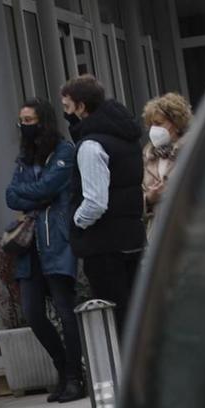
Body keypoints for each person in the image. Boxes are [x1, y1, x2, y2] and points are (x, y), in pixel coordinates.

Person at [4, 99, 87, 403]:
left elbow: (48, 188)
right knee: (33, 313)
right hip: (30, 247)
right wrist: (35, 198)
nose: (24, 126)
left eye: (28, 120)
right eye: (21, 120)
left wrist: (34, 197)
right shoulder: (24, 157)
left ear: (43, 121)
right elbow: (10, 195)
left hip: (56, 240)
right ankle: (62, 367)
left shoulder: (64, 152)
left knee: (66, 311)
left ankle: (75, 377)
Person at [60, 74, 147, 325]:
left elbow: (96, 201)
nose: (66, 114)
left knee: (116, 316)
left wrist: (76, 222)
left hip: (104, 244)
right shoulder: (126, 137)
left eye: (67, 107)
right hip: (131, 236)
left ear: (81, 107)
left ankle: (123, 364)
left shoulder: (91, 145)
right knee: (134, 314)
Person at [140, 92, 192, 230]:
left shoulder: (191, 149)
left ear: (176, 123)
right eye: (151, 124)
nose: (153, 129)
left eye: (158, 123)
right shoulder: (148, 157)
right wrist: (149, 199)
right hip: (161, 235)